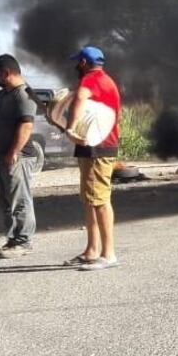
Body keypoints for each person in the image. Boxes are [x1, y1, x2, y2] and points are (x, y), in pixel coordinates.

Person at [64, 46, 121, 271]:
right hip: (92, 146)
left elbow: (79, 98)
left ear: (85, 63)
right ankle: (92, 250)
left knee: (99, 199)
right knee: (90, 199)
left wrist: (69, 129)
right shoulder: (104, 80)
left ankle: (109, 254)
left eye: (78, 62)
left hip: (99, 148)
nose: (76, 66)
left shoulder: (92, 80)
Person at [0, 54, 40, 259]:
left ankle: (23, 240)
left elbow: (26, 125)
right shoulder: (4, 94)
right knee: (5, 201)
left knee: (20, 200)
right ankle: (12, 239)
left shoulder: (23, 95)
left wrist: (13, 152)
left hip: (17, 158)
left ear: (7, 73)